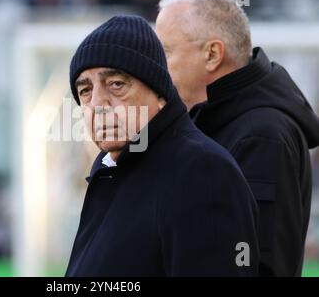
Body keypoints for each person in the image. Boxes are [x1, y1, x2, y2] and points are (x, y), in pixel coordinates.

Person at [65, 15, 259, 276]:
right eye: (85, 90)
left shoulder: (202, 170)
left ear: (159, 94)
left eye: (116, 84)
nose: (98, 104)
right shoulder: (111, 167)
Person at [156, 0, 319, 276]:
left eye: (165, 52)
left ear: (212, 54)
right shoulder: (211, 120)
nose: (157, 68)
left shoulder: (264, 136)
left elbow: (261, 267)